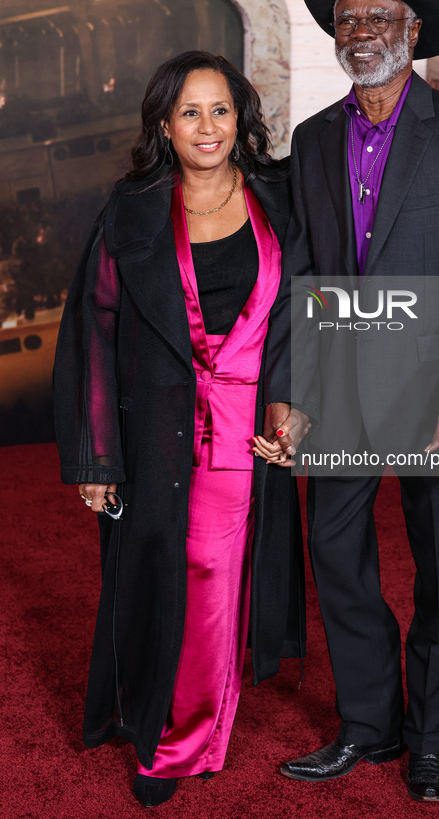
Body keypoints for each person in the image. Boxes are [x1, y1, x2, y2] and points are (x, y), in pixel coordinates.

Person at [263, 0, 439, 803]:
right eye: (348, 19)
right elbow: (303, 275)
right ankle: (368, 725)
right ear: (333, 35)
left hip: (434, 394)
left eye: (379, 18)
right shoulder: (312, 140)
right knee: (336, 556)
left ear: (413, 32)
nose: (362, 31)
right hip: (337, 392)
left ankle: (429, 738)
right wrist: (289, 389)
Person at [52, 51, 306, 808]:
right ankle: (155, 714)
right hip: (153, 429)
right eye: (189, 111)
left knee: (209, 574)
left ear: (242, 119)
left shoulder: (280, 200)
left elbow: (301, 312)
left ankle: (180, 741)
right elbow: (93, 329)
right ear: (164, 123)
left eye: (220, 110)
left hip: (244, 435)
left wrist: (294, 401)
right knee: (153, 578)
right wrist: (95, 453)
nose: (207, 126)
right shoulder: (131, 210)